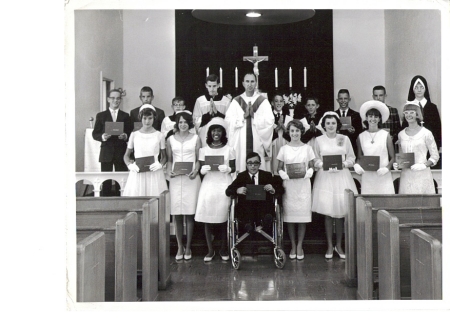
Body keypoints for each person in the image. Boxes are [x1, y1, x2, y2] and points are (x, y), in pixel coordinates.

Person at [312, 112, 357, 259]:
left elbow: (351, 157)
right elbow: (315, 159)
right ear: (324, 125)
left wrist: (343, 164)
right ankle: (330, 246)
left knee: (340, 213)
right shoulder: (318, 140)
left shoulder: (344, 139)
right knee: (328, 212)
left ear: (338, 125)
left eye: (333, 123)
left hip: (341, 177)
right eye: (328, 123)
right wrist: (323, 165)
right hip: (325, 178)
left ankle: (339, 245)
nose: (331, 126)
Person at [195, 118, 236, 262]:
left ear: (223, 133)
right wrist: (203, 170)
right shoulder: (203, 150)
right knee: (207, 217)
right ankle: (210, 250)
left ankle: (223, 248)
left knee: (224, 217)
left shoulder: (229, 149)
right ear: (210, 133)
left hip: (223, 184)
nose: (216, 133)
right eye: (213, 130)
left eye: (219, 130)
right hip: (209, 185)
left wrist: (229, 169)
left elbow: (234, 167)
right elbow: (200, 168)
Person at [277, 120, 316, 260]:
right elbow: (279, 167)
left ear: (301, 132)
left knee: (302, 218)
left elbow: (312, 165)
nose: (294, 133)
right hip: (290, 187)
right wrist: (283, 174)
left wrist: (310, 171)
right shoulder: (284, 149)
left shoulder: (307, 148)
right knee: (291, 218)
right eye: (292, 131)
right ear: (289, 132)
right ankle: (293, 245)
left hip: (303, 185)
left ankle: (300, 245)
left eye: (297, 131)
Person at [166, 111, 202, 260]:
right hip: (176, 180)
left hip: (191, 179)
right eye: (180, 122)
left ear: (190, 123)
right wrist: (170, 171)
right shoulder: (170, 139)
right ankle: (179, 246)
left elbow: (199, 159)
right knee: (177, 214)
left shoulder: (195, 138)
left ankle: (188, 247)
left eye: (185, 122)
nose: (183, 125)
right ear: (177, 123)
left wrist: (195, 170)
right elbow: (168, 160)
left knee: (189, 213)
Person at [225, 73, 275, 173]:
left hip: (257, 139)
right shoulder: (236, 101)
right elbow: (228, 121)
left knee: (257, 161)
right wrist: (243, 116)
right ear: (243, 83)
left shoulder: (263, 101)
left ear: (256, 83)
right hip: (241, 141)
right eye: (247, 81)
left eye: (252, 81)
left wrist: (254, 116)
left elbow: (270, 121)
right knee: (242, 163)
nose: (250, 84)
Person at [225, 152, 283, 234]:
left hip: (263, 208)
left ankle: (262, 225)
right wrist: (237, 190)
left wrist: (273, 189)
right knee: (243, 211)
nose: (253, 166)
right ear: (246, 164)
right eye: (250, 163)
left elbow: (281, 189)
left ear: (260, 164)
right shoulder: (241, 176)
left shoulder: (267, 175)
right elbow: (228, 191)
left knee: (267, 212)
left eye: (256, 163)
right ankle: (249, 226)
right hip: (246, 209)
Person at [92, 89, 132, 196]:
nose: (116, 100)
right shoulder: (101, 115)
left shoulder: (125, 116)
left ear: (121, 100)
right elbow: (95, 134)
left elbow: (130, 132)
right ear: (108, 99)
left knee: (122, 181)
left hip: (121, 151)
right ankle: (106, 204)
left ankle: (122, 202)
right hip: (106, 152)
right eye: (113, 98)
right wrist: (103, 136)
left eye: (118, 98)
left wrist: (125, 136)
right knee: (106, 181)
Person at [395, 102, 439, 194]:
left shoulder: (426, 133)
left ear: (417, 114)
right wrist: (398, 164)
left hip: (422, 175)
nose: (408, 115)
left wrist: (424, 165)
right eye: (406, 113)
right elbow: (402, 155)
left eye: (411, 112)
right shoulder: (401, 134)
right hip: (406, 176)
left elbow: (435, 156)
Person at [122, 106, 168, 196]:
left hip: (154, 172)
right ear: (141, 118)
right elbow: (126, 155)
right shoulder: (134, 135)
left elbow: (164, 156)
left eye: (150, 118)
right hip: (138, 171)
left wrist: (160, 164)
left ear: (154, 118)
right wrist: (130, 165)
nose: (147, 121)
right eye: (145, 118)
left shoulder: (160, 135)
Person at [353, 101, 395, 194]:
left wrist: (387, 168)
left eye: (376, 116)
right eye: (370, 116)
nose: (373, 119)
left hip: (383, 175)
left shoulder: (385, 135)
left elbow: (393, 157)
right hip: (368, 176)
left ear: (380, 119)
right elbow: (359, 157)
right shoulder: (361, 136)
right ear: (366, 118)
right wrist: (357, 165)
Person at [402, 75, 441, 168]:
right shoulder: (409, 106)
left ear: (425, 89)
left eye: (421, 87)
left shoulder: (432, 107)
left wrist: (438, 146)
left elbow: (438, 128)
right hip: (413, 147)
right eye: (416, 87)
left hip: (430, 146)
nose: (419, 90)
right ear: (412, 89)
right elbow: (404, 127)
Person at [334, 89, 362, 154]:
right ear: (337, 100)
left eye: (345, 98)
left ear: (349, 99)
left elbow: (360, 133)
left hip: (351, 147)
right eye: (341, 99)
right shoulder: (333, 115)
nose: (343, 101)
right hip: (336, 147)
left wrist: (354, 131)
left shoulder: (356, 115)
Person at [271, 92, 290, 175]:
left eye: (281, 101)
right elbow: (265, 133)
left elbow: (292, 134)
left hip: (285, 143)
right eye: (276, 101)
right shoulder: (269, 116)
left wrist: (284, 128)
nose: (279, 103)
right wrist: (277, 128)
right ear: (272, 103)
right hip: (273, 144)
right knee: (274, 165)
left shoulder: (288, 117)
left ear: (283, 103)